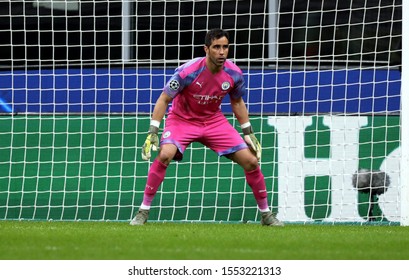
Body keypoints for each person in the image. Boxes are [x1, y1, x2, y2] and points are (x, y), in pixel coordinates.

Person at [130, 28, 283, 226]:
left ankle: (266, 215)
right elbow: (164, 98)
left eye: (225, 47)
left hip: (213, 121)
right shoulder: (188, 71)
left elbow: (237, 102)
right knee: (165, 154)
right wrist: (153, 130)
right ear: (206, 49)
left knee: (251, 161)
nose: (221, 52)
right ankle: (143, 212)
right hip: (182, 120)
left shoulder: (234, 74)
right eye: (216, 47)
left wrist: (248, 132)